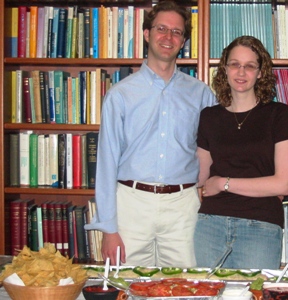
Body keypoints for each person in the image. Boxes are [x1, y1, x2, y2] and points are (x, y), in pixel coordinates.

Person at [85, 1, 216, 267]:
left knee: (185, 287)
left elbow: (215, 150)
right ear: (147, 34)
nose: (168, 37)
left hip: (183, 207)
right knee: (130, 286)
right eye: (161, 29)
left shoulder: (202, 94)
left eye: (177, 32)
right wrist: (109, 230)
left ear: (183, 40)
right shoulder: (120, 94)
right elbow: (107, 165)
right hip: (132, 205)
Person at [194, 36, 288, 270]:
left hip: (260, 226)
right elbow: (200, 179)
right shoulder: (209, 117)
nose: (241, 72)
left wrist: (223, 183)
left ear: (260, 72)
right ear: (224, 69)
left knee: (254, 294)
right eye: (234, 64)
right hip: (210, 224)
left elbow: (283, 184)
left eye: (250, 66)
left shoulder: (278, 114)